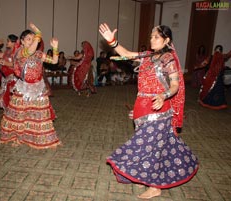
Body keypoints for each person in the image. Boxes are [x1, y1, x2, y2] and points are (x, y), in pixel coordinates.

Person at [99, 23, 198, 199]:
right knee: (153, 147)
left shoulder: (168, 58)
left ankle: (155, 186)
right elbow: (127, 54)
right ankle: (145, 177)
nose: (152, 40)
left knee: (147, 147)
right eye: (151, 36)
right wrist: (112, 42)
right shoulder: (147, 56)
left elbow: (175, 85)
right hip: (142, 106)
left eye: (156, 37)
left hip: (158, 108)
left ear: (166, 40)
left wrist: (163, 95)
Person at [0, 23, 61, 149]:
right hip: (24, 88)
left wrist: (55, 48)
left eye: (34, 39)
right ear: (21, 41)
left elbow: (54, 61)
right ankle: (20, 136)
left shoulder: (38, 54)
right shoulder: (20, 52)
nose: (32, 41)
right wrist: (38, 34)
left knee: (39, 116)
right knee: (21, 115)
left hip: (38, 88)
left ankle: (40, 138)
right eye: (29, 39)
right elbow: (30, 51)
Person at [0, 34, 20, 108]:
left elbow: (17, 64)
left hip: (14, 78)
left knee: (12, 97)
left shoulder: (18, 52)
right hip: (7, 78)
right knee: (7, 97)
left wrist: (4, 62)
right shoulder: (7, 52)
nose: (6, 43)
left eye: (8, 41)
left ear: (14, 43)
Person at [198, 45, 231, 109]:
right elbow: (204, 64)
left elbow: (228, 55)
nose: (218, 52)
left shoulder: (221, 57)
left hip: (217, 78)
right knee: (210, 89)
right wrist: (197, 66)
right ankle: (210, 103)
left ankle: (217, 104)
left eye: (219, 50)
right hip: (211, 77)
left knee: (217, 90)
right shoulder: (212, 57)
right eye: (217, 50)